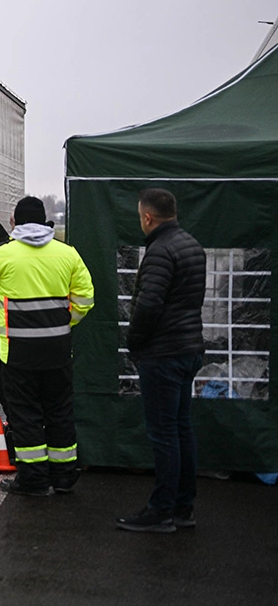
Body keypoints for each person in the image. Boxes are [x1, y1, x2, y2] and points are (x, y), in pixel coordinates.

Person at [0, 196, 94, 496]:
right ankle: (65, 475)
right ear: (44, 221)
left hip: (18, 352)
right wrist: (64, 324)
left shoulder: (4, 254)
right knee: (59, 411)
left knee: (25, 414)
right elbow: (85, 298)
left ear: (15, 221)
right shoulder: (67, 253)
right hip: (57, 350)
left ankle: (33, 479)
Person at [116, 188, 206, 533]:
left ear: (148, 217)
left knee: (163, 434)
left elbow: (148, 306)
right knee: (182, 429)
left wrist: (134, 342)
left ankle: (161, 510)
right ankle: (183, 506)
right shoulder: (191, 245)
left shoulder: (159, 251)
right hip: (188, 349)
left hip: (163, 353)